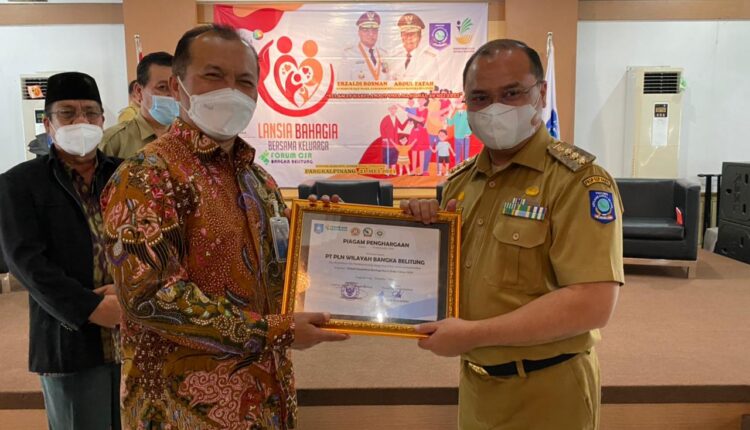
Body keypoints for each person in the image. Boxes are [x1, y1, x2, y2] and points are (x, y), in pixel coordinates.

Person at [101, 24, 348, 429]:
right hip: (184, 410)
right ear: (178, 86)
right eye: (214, 76)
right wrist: (272, 332)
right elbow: (149, 298)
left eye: (245, 81)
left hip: (266, 400)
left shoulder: (259, 181)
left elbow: (282, 277)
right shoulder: (147, 176)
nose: (231, 90)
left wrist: (326, 241)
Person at [401, 39, 624, 429]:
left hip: (548, 391)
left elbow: (592, 303)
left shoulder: (577, 183)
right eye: (480, 98)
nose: (495, 108)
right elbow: (447, 281)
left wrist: (474, 334)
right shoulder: (460, 183)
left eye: (511, 93)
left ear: (541, 93)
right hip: (477, 386)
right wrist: (419, 231)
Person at [0, 72, 122, 430]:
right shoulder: (19, 183)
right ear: (48, 123)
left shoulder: (125, 175)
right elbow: (25, 262)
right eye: (67, 113)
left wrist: (128, 292)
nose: (81, 121)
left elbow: (148, 243)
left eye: (90, 112)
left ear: (102, 120)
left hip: (129, 330)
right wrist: (89, 308)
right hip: (68, 337)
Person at [100, 52, 177, 158]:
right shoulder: (114, 142)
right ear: (139, 91)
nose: (172, 95)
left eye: (176, 87)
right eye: (162, 87)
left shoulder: (189, 138)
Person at [389, 13, 440, 85]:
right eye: (405, 34)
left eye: (412, 34)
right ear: (401, 37)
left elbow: (434, 86)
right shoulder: (395, 59)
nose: (409, 38)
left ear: (419, 37)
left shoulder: (429, 59)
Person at [339, 11, 389, 81]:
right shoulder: (349, 54)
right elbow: (342, 82)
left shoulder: (384, 54)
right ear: (359, 32)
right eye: (366, 30)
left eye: (374, 30)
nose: (371, 34)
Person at [379, 104, 407, 170]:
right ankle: (386, 171)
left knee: (394, 158)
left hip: (395, 143)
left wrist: (407, 120)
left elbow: (402, 127)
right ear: (389, 110)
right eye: (392, 109)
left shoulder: (396, 118)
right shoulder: (386, 118)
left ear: (396, 110)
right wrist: (384, 138)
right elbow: (381, 127)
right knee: (387, 157)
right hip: (387, 143)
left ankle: (393, 171)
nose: (393, 110)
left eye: (394, 109)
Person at [446, 96, 472, 163]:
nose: (457, 103)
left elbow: (471, 124)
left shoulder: (467, 113)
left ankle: (466, 167)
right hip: (457, 137)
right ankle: (457, 167)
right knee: (457, 155)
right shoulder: (456, 114)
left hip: (465, 137)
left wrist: (468, 133)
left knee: (465, 156)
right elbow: (450, 124)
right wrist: (450, 113)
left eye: (459, 102)